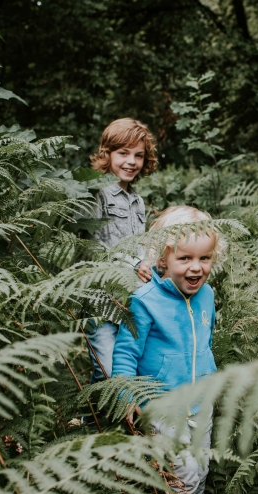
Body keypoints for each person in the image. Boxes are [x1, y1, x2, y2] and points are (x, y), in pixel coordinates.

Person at [112, 205, 225, 494]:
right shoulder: (145, 300)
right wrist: (127, 397)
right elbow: (125, 352)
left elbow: (205, 342)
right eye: (185, 258)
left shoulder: (207, 296)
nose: (196, 268)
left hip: (200, 403)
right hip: (161, 404)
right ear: (163, 259)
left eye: (204, 259)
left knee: (200, 471)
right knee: (186, 473)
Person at [84, 118, 158, 382]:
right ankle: (90, 422)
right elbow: (92, 247)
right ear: (107, 154)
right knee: (105, 367)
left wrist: (149, 260)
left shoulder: (137, 201)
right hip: (102, 299)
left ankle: (122, 422)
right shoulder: (97, 194)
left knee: (128, 365)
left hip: (133, 298)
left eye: (138, 156)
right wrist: (131, 266)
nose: (131, 162)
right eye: (123, 153)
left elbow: (139, 241)